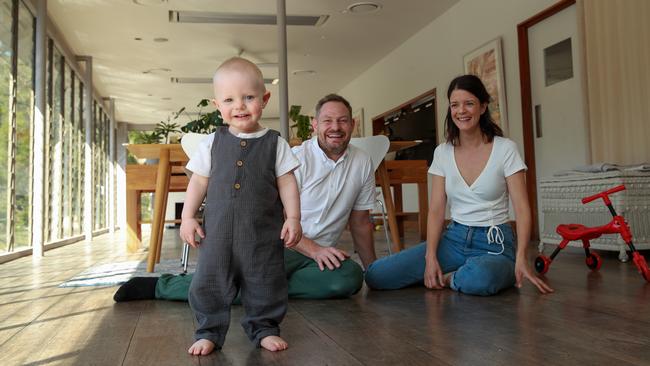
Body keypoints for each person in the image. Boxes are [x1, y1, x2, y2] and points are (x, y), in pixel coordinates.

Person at [114, 95, 377, 303]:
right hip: (278, 246)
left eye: (342, 121)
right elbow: (276, 218)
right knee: (244, 282)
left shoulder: (362, 162)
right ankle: (163, 286)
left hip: (318, 257)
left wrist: (373, 272)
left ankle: (255, 291)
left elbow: (361, 222)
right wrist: (313, 248)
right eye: (328, 121)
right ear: (315, 124)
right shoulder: (296, 158)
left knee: (349, 278)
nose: (335, 128)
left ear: (352, 124)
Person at [364, 74, 553, 296]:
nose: (461, 111)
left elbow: (522, 209)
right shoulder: (442, 153)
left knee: (481, 278)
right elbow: (435, 210)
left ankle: (456, 277)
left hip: (495, 244)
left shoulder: (505, 149)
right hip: (453, 239)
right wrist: (430, 257)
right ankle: (456, 272)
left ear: (482, 107)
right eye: (455, 105)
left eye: (469, 103)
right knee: (377, 275)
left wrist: (522, 257)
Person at [181, 57, 302, 355]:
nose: (240, 106)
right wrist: (187, 216)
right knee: (208, 282)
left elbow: (287, 182)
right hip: (217, 236)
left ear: (265, 99)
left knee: (266, 280)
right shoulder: (212, 143)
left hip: (261, 235)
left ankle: (264, 328)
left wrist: (294, 217)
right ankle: (208, 330)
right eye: (229, 99)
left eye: (249, 97)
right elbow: (198, 182)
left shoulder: (276, 143)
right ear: (217, 105)